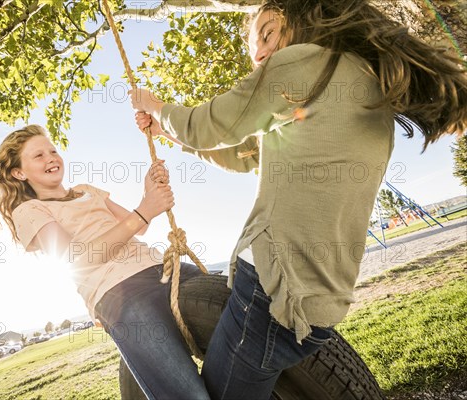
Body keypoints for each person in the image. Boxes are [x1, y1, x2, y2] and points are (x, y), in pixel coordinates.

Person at [131, 0, 467, 398]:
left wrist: (156, 107)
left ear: (302, 20)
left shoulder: (300, 65)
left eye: (268, 34)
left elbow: (208, 127)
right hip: (319, 304)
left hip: (271, 291)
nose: (258, 54)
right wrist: (169, 133)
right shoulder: (362, 84)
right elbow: (244, 154)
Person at [0, 124, 211, 400]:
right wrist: (145, 210)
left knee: (246, 318)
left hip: (162, 268)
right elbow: (78, 259)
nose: (51, 157)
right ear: (19, 172)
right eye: (38, 155)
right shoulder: (29, 211)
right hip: (119, 293)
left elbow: (139, 227)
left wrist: (149, 190)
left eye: (52, 150)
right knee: (186, 394)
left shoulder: (87, 190)